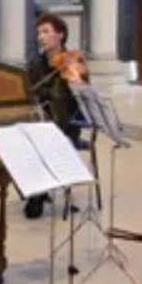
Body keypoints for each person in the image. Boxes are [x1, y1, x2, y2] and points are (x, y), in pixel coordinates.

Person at [24, 13, 86, 219]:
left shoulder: (73, 59)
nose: (41, 37)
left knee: (47, 139)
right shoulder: (35, 64)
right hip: (42, 121)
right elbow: (30, 95)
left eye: (46, 32)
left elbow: (81, 95)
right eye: (39, 33)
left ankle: (38, 192)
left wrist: (74, 76)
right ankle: (38, 188)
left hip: (67, 122)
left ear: (60, 35)